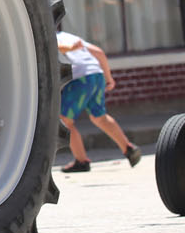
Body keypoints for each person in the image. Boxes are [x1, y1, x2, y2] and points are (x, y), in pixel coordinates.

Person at [56, 30, 141, 173]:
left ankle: (81, 161)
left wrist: (69, 49)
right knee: (100, 117)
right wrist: (108, 78)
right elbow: (99, 52)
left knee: (64, 121)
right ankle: (128, 148)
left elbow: (58, 47)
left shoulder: (51, 37)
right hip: (96, 75)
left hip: (80, 79)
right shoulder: (69, 36)